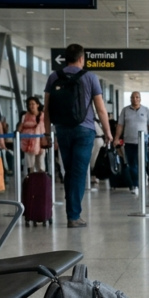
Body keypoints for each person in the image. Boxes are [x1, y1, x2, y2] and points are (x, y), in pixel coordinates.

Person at [43, 44, 114, 228]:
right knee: (79, 172)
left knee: (70, 171)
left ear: (66, 58)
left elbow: (47, 108)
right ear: (82, 59)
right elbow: (100, 109)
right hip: (84, 130)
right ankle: (73, 215)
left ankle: (71, 212)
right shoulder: (89, 77)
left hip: (62, 130)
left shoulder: (54, 77)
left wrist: (47, 132)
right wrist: (107, 132)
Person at [113, 91, 149, 194]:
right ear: (130, 99)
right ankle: (135, 184)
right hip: (129, 142)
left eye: (137, 97)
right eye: (133, 97)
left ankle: (142, 177)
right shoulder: (125, 110)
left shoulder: (146, 110)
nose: (135, 99)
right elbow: (120, 125)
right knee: (132, 164)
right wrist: (116, 138)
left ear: (140, 99)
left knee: (141, 162)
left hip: (142, 141)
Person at [18, 96, 46, 174]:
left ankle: (42, 182)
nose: (31, 106)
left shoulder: (43, 116)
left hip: (41, 143)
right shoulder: (25, 116)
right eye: (29, 104)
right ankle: (32, 182)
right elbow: (21, 126)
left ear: (37, 104)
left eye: (33, 104)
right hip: (28, 145)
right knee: (30, 166)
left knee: (41, 164)